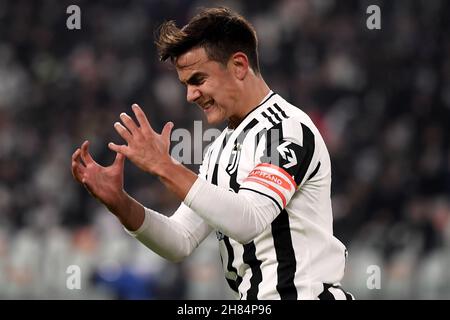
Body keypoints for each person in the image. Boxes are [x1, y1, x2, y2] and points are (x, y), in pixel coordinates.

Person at [71, 7, 353, 300]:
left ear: (239, 66)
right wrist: (119, 203)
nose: (190, 95)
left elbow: (249, 219)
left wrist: (164, 166)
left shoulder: (283, 131)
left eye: (198, 80)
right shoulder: (220, 149)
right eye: (185, 85)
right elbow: (181, 240)